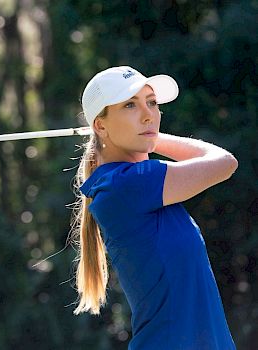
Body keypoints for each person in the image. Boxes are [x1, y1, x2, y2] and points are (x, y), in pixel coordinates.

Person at [72, 66, 238, 349]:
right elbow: (224, 162)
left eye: (151, 103)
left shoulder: (136, 186)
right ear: (100, 125)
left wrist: (147, 133)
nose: (149, 113)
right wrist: (153, 136)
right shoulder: (124, 185)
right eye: (130, 105)